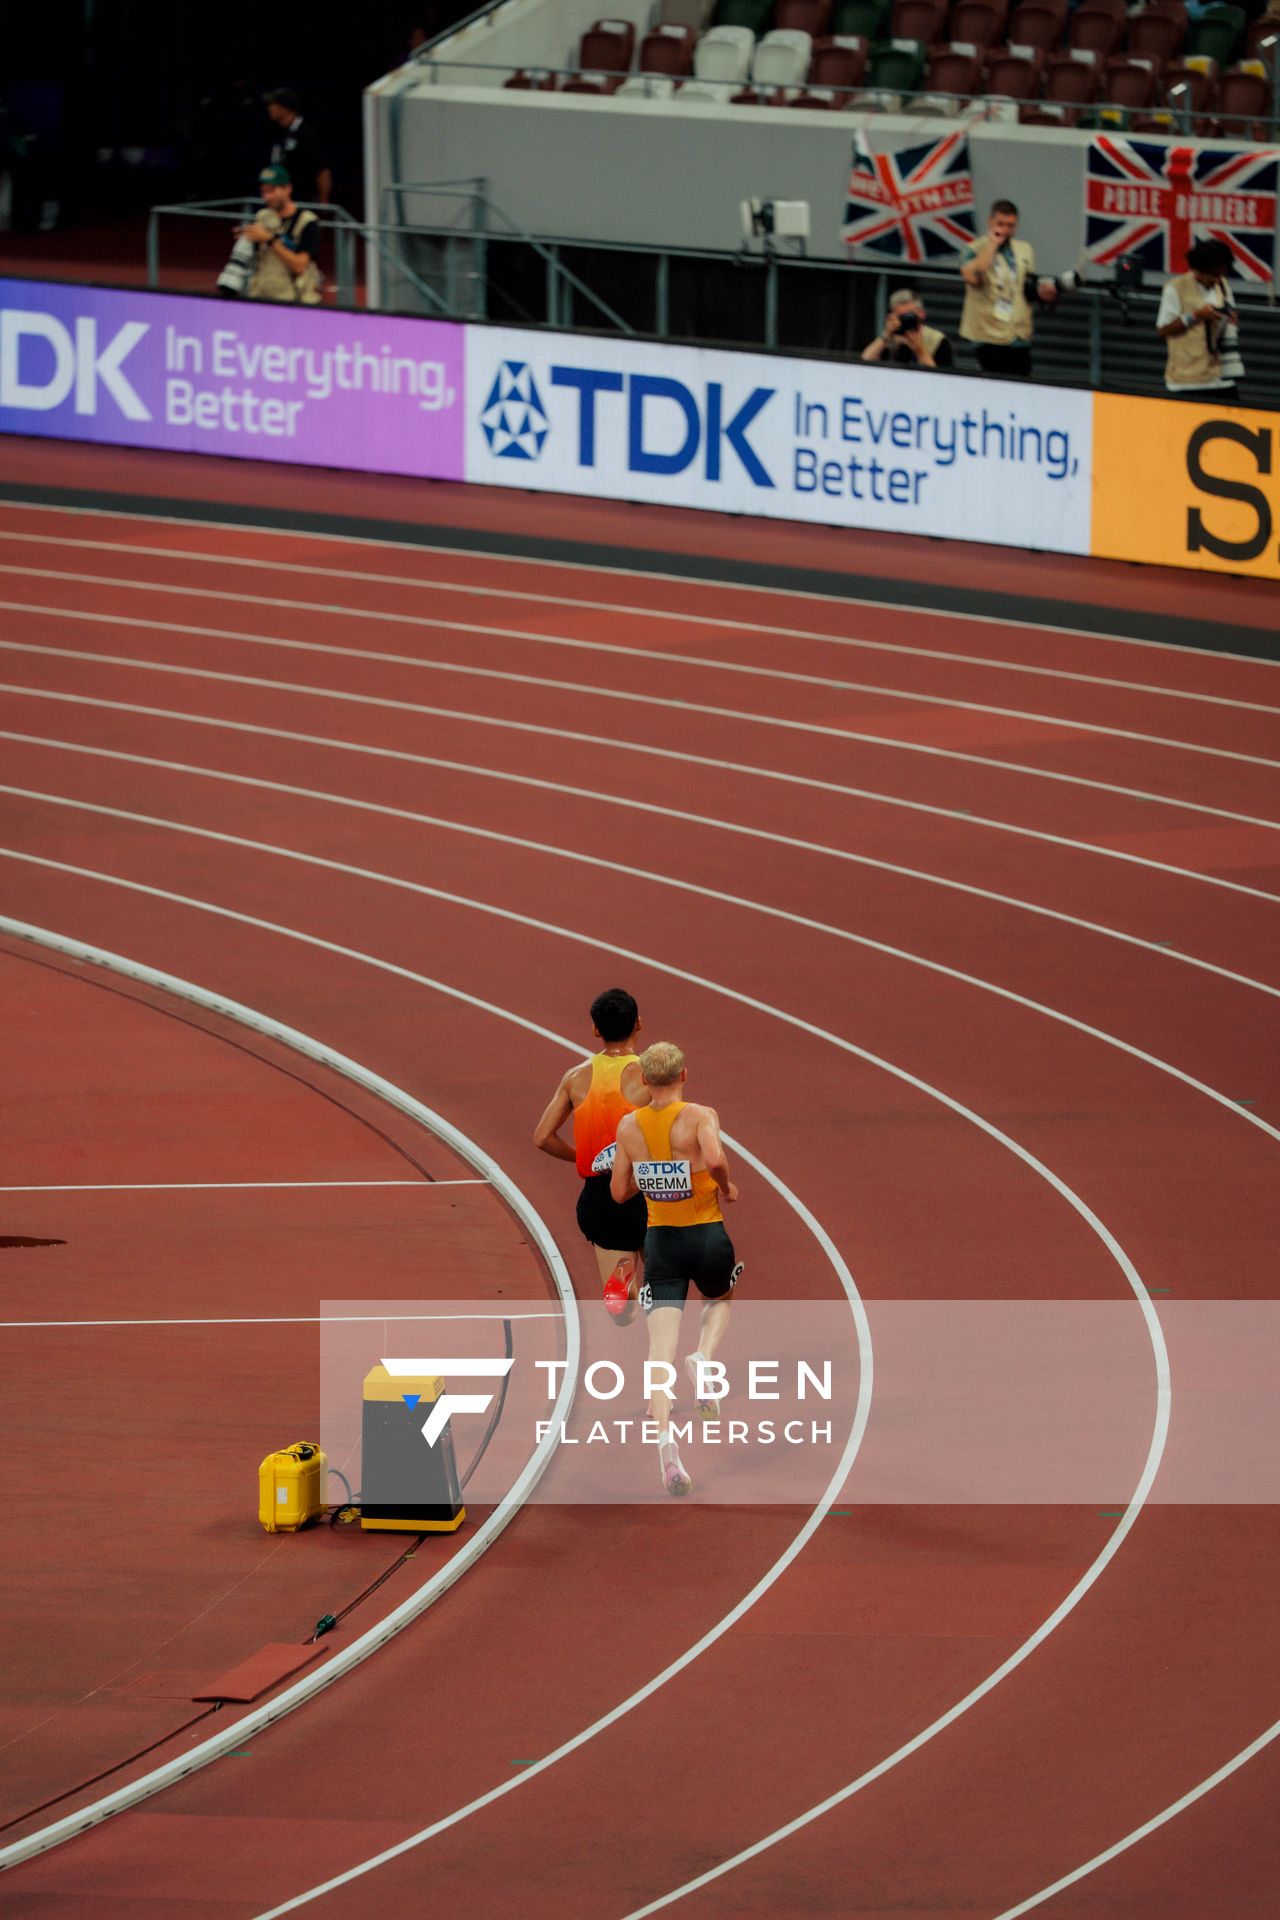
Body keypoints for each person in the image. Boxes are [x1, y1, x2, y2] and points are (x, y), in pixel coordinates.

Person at [611, 1041, 741, 1498]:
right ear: (684, 1075)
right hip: (706, 1234)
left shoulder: (628, 1125)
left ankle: (667, 1449)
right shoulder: (701, 1115)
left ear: (644, 1081)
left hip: (661, 1242)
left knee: (659, 1353)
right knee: (720, 1298)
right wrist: (726, 1187)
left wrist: (654, 1179)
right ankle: (704, 1356)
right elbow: (717, 1159)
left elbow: (619, 1192)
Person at [533, 988, 649, 1322]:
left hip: (602, 1197)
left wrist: (587, 1157)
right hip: (648, 1190)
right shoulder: (651, 1075)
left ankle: (630, 1292)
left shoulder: (576, 1078)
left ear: (596, 1030)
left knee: (622, 1313)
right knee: (665, 1289)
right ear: (638, 1024)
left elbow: (542, 1137)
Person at [959, 199, 1058, 378]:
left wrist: (1043, 293)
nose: (1004, 230)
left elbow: (1026, 286)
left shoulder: (1024, 249)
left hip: (1019, 334)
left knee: (1022, 385)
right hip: (988, 334)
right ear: (990, 221)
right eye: (1000, 224)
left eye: (1010, 225)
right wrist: (992, 245)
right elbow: (972, 276)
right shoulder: (973, 249)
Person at [1156, 237, 1239, 398]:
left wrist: (1231, 318)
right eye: (1213, 275)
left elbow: (1229, 315)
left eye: (1221, 274)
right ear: (1197, 270)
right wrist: (1195, 316)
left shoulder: (1222, 285)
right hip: (1187, 382)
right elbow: (1163, 330)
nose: (1217, 280)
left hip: (1222, 379)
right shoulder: (1175, 288)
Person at [236, 165, 322, 303]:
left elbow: (300, 266)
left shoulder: (307, 222)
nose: (267, 197)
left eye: (271, 191)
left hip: (293, 301)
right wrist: (246, 238)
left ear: (287, 188)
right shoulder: (262, 217)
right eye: (263, 192)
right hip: (260, 296)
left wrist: (270, 239)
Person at [264, 88, 331, 205]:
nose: (269, 108)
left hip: (301, 201)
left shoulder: (305, 134)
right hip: (277, 200)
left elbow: (321, 169)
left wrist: (323, 198)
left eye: (273, 104)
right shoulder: (276, 131)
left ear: (285, 107)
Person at [861, 288, 953, 370]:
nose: (904, 321)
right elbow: (865, 362)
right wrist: (886, 335)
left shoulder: (937, 339)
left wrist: (920, 351)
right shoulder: (891, 338)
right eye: (899, 317)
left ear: (922, 314)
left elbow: (942, 378)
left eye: (908, 316)